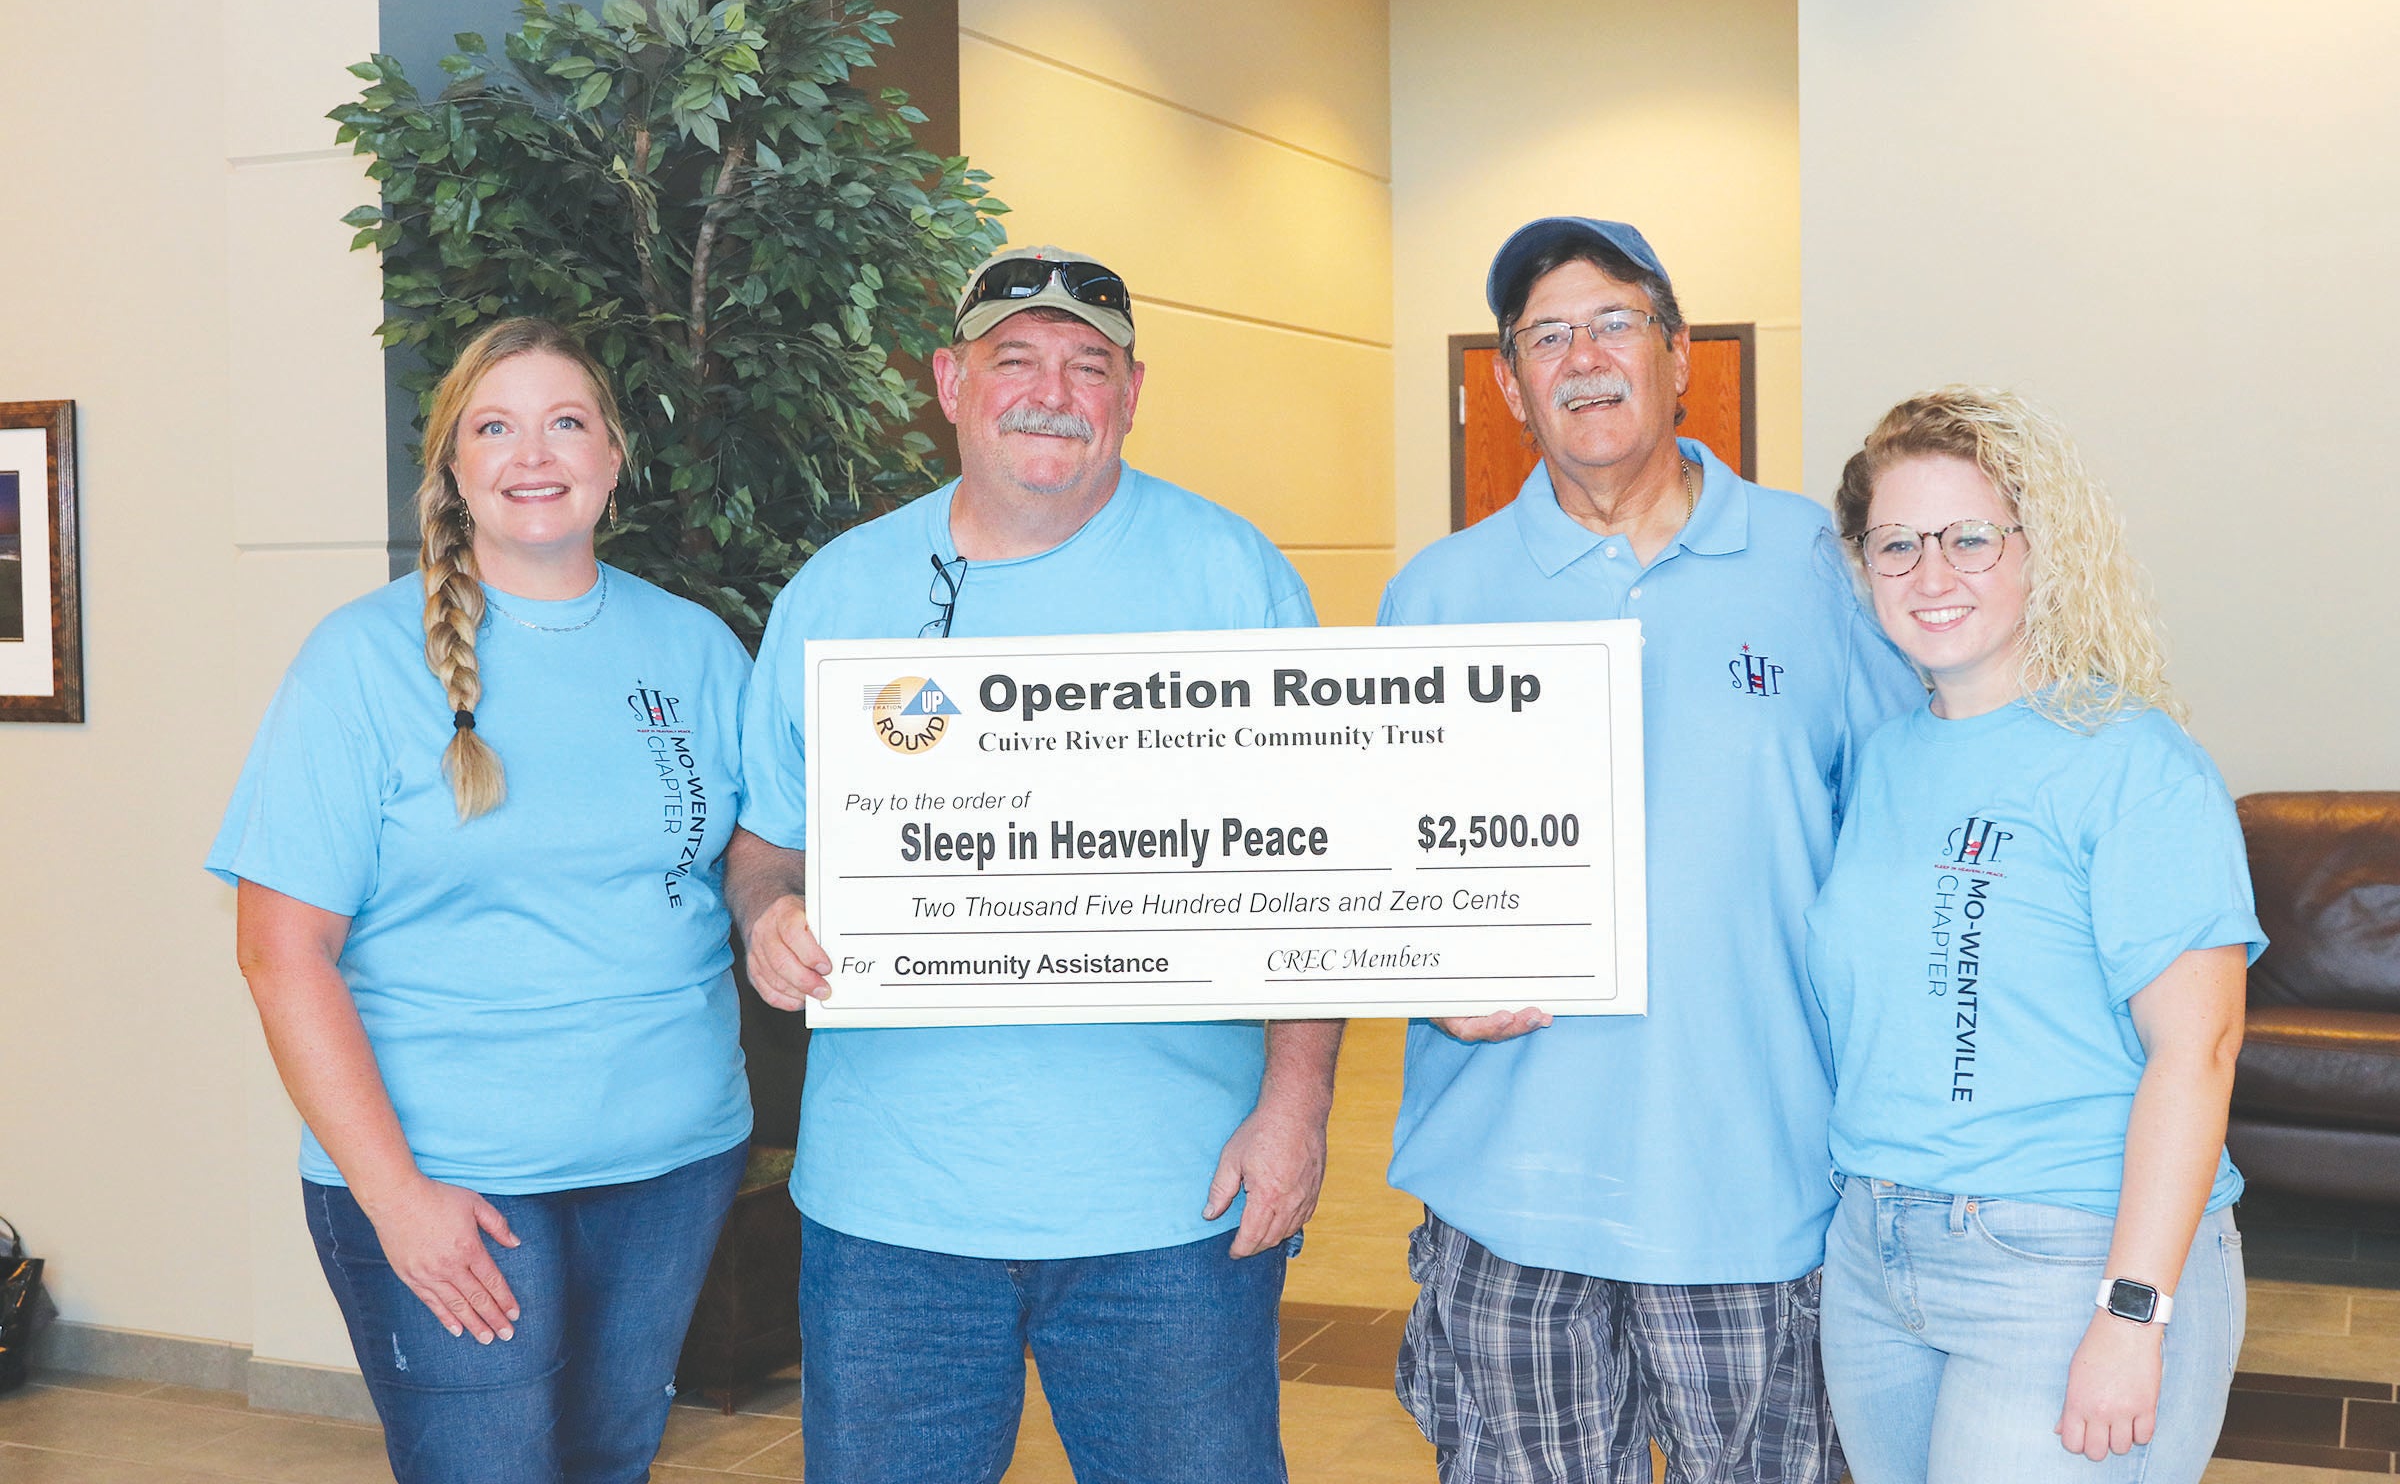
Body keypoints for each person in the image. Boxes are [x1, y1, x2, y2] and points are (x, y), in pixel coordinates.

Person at [728, 244, 1342, 1484]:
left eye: (1089, 364)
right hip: (892, 1210)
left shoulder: (1233, 578)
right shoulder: (838, 593)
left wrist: (1297, 1103)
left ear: (1132, 391)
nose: (1051, 389)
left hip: (1174, 1201)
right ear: (951, 381)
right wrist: (767, 913)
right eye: (1016, 359)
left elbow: (1317, 864)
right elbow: (762, 846)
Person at [1378, 217, 1923, 1483]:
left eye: (1615, 321)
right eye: (1546, 335)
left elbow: (1902, 831)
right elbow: (1378, 865)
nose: (1584, 356)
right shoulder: (1438, 592)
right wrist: (1419, 973)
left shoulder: (1818, 565)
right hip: (1507, 1190)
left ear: (1680, 354)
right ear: (1508, 383)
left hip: (1755, 1182)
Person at [209, 318, 754, 1483]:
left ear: (613, 457)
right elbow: (279, 949)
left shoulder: (698, 648)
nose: (534, 453)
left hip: (671, 1162)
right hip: (452, 1172)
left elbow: (759, 860)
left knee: (608, 1464)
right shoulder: (358, 660)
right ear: (454, 471)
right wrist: (395, 1196)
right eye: (494, 427)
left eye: (567, 422)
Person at [1807, 387, 2259, 1482]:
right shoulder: (1881, 761)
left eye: (1969, 538)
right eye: (1896, 544)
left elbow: (2197, 1050)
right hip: (1875, 1254)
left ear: (2036, 550)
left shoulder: (2129, 760)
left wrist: (2134, 1311)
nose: (1931, 574)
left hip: (2070, 1257)